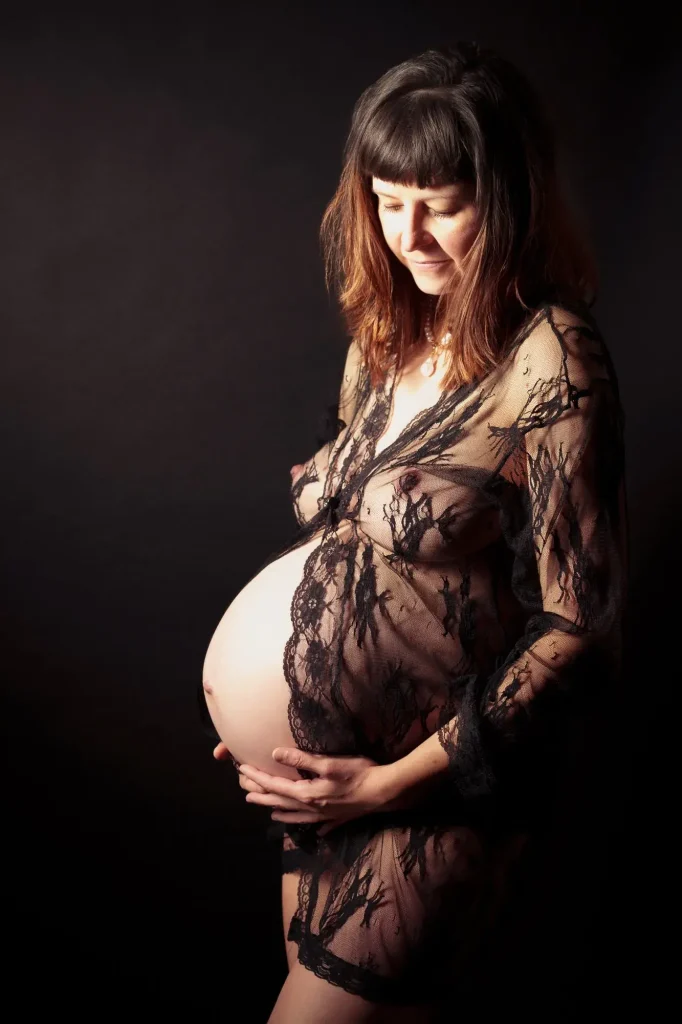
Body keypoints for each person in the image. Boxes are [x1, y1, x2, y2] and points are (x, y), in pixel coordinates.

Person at [201, 40, 628, 1023]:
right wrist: (268, 715)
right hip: (324, 783)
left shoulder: (552, 359)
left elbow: (580, 628)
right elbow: (347, 547)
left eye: (443, 202)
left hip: (421, 794)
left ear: (509, 192)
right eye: (389, 201)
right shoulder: (383, 340)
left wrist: (386, 783)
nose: (412, 233)